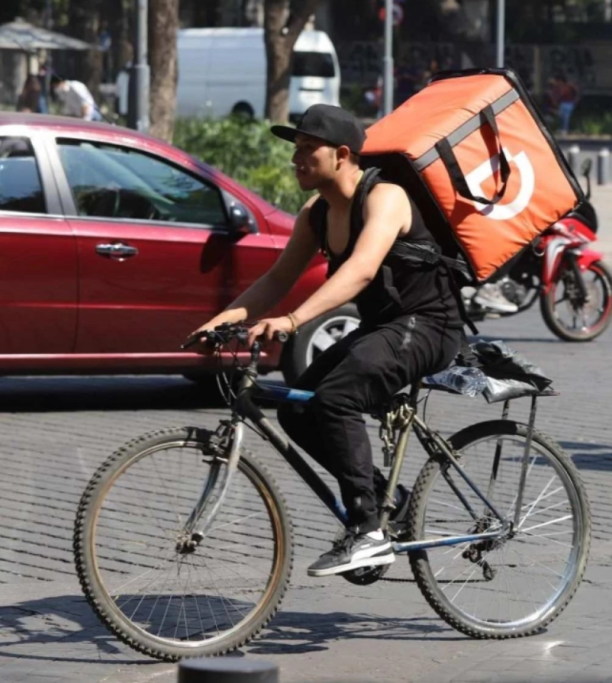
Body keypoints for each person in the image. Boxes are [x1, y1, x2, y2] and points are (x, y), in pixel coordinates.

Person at [192, 104, 465, 576]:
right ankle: (387, 503)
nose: (296, 159)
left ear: (342, 154)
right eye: (293, 149)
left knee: (336, 397)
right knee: (298, 410)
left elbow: (360, 270)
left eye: (306, 149)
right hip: (384, 328)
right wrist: (219, 321)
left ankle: (368, 532)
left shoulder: (386, 197)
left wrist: (293, 321)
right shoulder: (317, 213)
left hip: (429, 324)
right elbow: (278, 279)